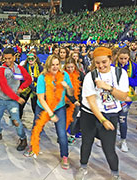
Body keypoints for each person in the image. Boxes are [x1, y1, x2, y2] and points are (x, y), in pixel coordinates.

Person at [75, 47, 129, 180]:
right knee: (86, 143)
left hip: (111, 114)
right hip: (90, 115)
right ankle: (83, 166)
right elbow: (92, 102)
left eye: (104, 62)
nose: (101, 66)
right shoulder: (90, 76)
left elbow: (123, 96)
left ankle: (115, 174)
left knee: (109, 148)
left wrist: (108, 87)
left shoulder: (120, 73)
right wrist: (102, 120)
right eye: (97, 63)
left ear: (111, 59)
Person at [24, 55, 74, 170]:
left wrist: (67, 86)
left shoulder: (64, 75)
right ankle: (33, 147)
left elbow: (71, 93)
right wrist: (50, 113)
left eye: (57, 64)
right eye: (53, 65)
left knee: (62, 133)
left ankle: (64, 156)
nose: (55, 67)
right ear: (48, 65)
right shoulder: (42, 77)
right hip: (43, 107)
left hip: (59, 107)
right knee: (36, 128)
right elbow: (41, 98)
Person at [0, 48, 32, 151]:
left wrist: (22, 87)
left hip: (12, 101)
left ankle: (23, 139)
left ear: (14, 57)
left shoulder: (20, 68)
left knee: (16, 121)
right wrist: (17, 98)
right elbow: (4, 88)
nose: (7, 61)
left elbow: (29, 79)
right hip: (2, 99)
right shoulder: (1, 70)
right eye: (5, 58)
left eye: (9, 58)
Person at [114, 47, 137, 152]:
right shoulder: (112, 66)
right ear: (117, 57)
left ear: (129, 58)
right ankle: (108, 139)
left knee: (122, 120)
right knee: (112, 119)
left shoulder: (134, 67)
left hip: (126, 97)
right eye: (121, 58)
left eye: (125, 59)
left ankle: (123, 141)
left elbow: (135, 82)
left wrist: (124, 77)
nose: (123, 61)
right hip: (113, 97)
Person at [19, 52, 43, 120]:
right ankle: (18, 120)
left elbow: (41, 79)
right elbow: (23, 79)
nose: (30, 60)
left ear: (35, 59)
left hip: (35, 89)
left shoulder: (40, 67)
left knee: (35, 108)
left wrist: (34, 79)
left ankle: (37, 123)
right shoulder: (24, 67)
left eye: (32, 58)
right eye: (29, 58)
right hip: (26, 88)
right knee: (20, 105)